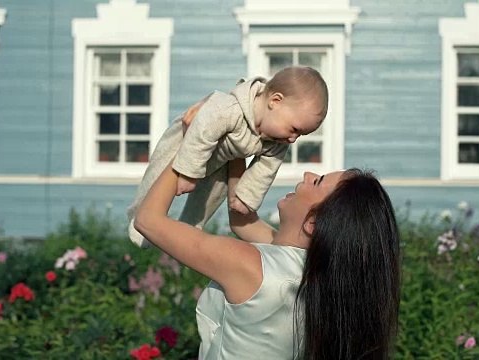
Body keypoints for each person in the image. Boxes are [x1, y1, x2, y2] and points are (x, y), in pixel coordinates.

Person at [134, 138, 401, 358]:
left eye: (317, 182)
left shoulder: (249, 264)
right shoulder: (315, 275)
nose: (308, 175)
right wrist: (237, 142)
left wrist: (195, 142)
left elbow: (148, 220)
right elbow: (241, 219)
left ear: (313, 222)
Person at [127, 66, 329, 248]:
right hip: (187, 142)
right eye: (294, 129)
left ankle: (186, 231)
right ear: (275, 101)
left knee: (209, 199)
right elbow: (202, 131)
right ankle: (138, 221)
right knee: (158, 174)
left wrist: (246, 197)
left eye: (300, 135)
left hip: (222, 160)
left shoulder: (277, 139)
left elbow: (266, 170)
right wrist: (189, 172)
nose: (293, 139)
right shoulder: (229, 108)